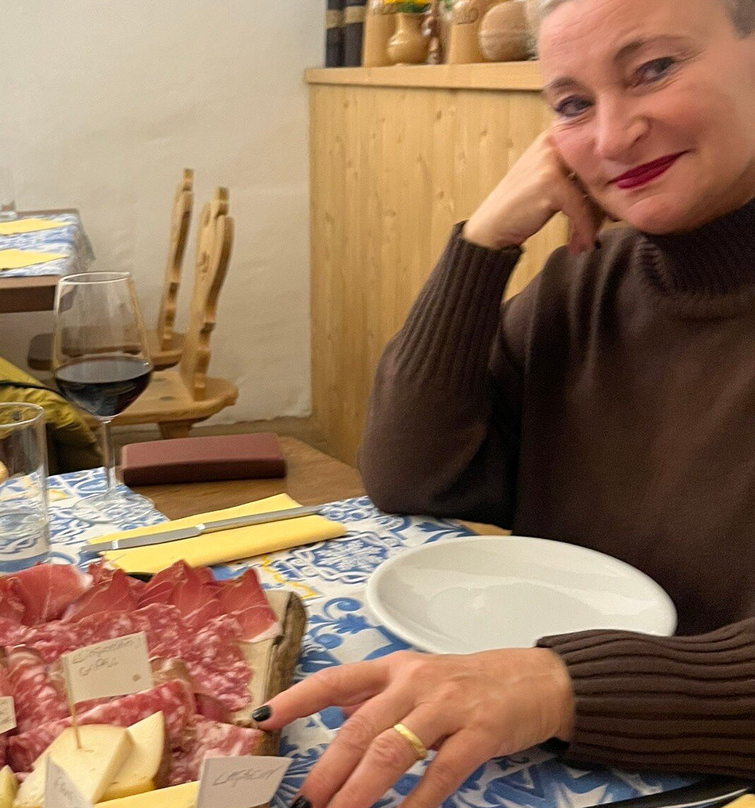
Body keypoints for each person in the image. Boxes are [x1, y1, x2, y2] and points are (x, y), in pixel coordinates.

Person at [251, 0, 755, 806]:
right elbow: (413, 475)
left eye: (654, 69)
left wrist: (559, 685)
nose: (611, 136)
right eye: (572, 104)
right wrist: (482, 245)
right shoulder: (588, 281)